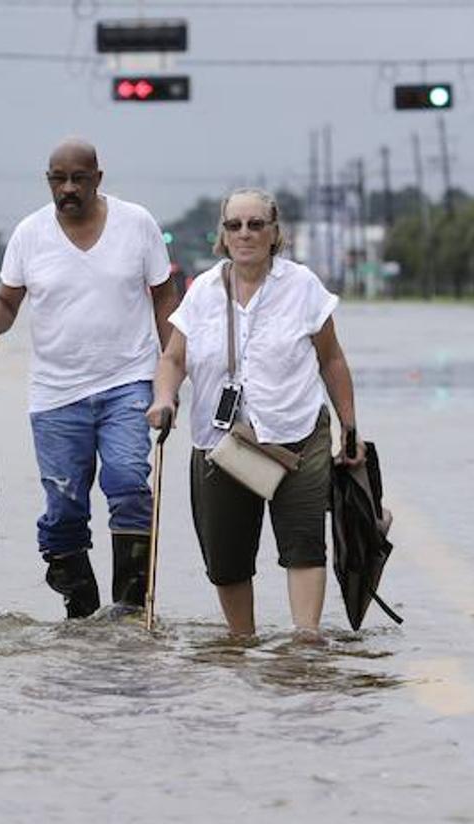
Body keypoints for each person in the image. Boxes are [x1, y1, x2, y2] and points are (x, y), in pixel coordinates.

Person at [0, 139, 178, 619]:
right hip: (57, 395)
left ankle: (127, 609)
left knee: (128, 483)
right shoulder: (30, 234)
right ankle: (81, 611)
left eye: (78, 179)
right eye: (57, 179)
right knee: (64, 506)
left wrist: (174, 367)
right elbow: (5, 302)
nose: (67, 188)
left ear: (97, 179)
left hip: (128, 380)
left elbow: (165, 298)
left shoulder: (136, 224)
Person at [146, 188, 365, 638]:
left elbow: (331, 360)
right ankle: (240, 646)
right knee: (226, 561)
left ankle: (305, 645)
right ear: (222, 236)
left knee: (305, 545)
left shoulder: (302, 286)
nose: (245, 233)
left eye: (255, 224)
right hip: (220, 443)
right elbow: (172, 359)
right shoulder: (202, 292)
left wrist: (349, 426)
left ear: (274, 233)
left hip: (298, 434)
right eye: (234, 225)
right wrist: (164, 399)